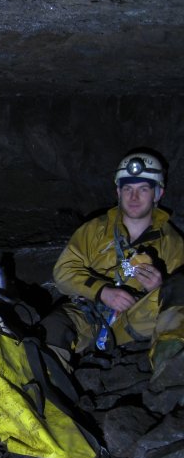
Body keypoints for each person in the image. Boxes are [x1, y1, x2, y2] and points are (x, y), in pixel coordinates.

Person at [41, 149, 184, 385]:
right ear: (118, 192)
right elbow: (63, 273)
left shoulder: (172, 243)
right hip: (90, 314)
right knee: (53, 328)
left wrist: (159, 288)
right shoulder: (95, 230)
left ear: (158, 193)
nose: (134, 197)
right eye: (127, 189)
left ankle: (169, 380)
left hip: (139, 318)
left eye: (143, 189)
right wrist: (102, 291)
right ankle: (50, 395)